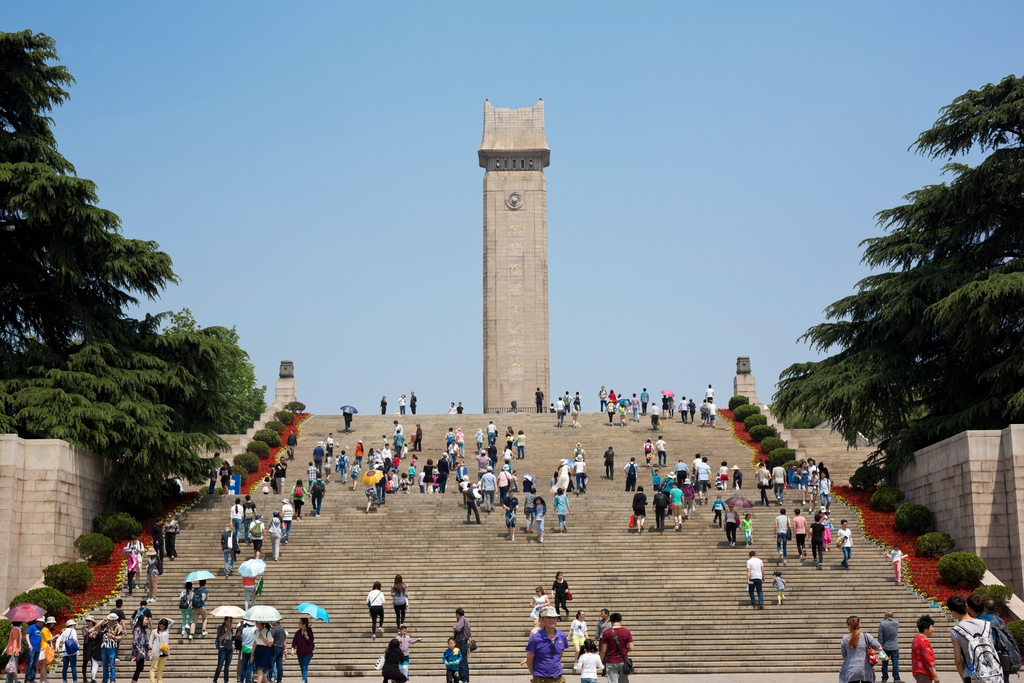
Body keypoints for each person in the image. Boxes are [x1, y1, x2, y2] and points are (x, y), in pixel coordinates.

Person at [949, 593, 1003, 683]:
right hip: (993, 674)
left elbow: (958, 661)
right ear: (966, 606)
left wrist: (964, 678)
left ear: (953, 612)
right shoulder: (986, 624)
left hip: (971, 675)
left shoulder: (956, 631)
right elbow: (991, 648)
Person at [525, 605, 569, 683]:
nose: (552, 620)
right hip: (541, 679)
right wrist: (535, 675)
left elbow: (559, 656)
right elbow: (529, 661)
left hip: (559, 678)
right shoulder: (535, 638)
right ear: (542, 619)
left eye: (554, 617)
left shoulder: (562, 636)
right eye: (548, 617)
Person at [839, 616, 882, 683]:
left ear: (849, 626)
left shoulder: (845, 638)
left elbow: (844, 656)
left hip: (851, 669)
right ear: (859, 624)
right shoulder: (866, 636)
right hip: (865, 669)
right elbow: (879, 648)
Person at [599, 612, 633, 683]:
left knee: (612, 681)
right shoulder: (627, 631)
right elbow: (631, 648)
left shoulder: (606, 632)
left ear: (611, 621)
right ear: (621, 621)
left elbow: (603, 650)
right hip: (623, 661)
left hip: (611, 661)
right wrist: (625, 650)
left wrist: (600, 660)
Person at [912, 615, 939, 683]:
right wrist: (935, 675)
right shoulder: (924, 641)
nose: (933, 629)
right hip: (924, 673)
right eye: (932, 627)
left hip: (918, 672)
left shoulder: (917, 638)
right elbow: (928, 660)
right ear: (926, 629)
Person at [99, 613, 123, 683]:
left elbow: (120, 637)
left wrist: (113, 637)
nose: (108, 620)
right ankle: (105, 679)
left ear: (113, 620)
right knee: (104, 665)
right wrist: (102, 621)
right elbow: (97, 628)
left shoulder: (118, 626)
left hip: (112, 647)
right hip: (104, 646)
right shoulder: (105, 625)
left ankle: (112, 680)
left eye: (109, 620)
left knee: (112, 665)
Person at [878, 612, 901, 683]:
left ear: (887, 616)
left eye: (884, 615)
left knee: (884, 663)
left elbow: (880, 636)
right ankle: (896, 678)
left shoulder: (882, 623)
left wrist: (880, 645)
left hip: (885, 646)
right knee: (895, 662)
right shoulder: (896, 623)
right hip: (895, 646)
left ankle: (884, 678)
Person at [291, 617, 314, 683]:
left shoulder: (309, 632)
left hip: (307, 653)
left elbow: (311, 643)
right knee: (302, 668)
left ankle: (303, 681)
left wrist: (307, 636)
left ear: (304, 624)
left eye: (300, 623)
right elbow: (294, 642)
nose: (299, 624)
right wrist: (293, 649)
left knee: (304, 667)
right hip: (300, 653)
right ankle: (305, 681)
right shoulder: (297, 633)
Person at [56, 619, 79, 683]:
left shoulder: (64, 631)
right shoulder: (73, 630)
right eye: (74, 625)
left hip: (64, 650)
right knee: (73, 666)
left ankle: (64, 680)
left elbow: (58, 639)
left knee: (65, 667)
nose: (74, 626)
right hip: (72, 650)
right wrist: (78, 645)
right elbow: (74, 638)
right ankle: (75, 680)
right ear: (71, 625)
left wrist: (57, 647)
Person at [453, 609, 472, 683]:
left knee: (461, 661)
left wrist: (454, 627)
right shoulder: (466, 620)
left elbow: (458, 628)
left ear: (457, 614)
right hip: (464, 642)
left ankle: (463, 679)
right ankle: (466, 678)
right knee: (464, 661)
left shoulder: (461, 620)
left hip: (461, 643)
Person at [214, 617, 234, 683]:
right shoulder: (220, 628)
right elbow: (220, 639)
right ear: (225, 621)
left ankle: (226, 680)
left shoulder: (231, 628)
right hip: (223, 648)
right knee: (220, 665)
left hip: (230, 648)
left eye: (231, 621)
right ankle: (215, 679)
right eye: (228, 621)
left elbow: (231, 638)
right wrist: (227, 632)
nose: (230, 622)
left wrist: (237, 635)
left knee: (227, 666)